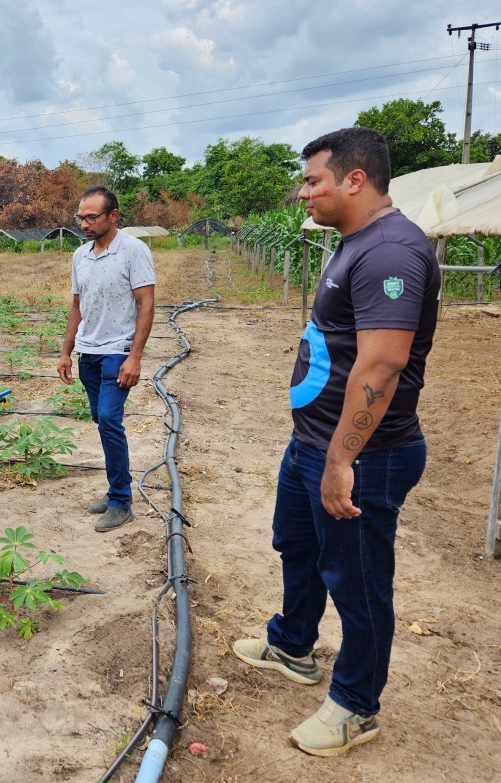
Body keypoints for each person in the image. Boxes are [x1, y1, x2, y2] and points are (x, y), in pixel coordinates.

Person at [232, 127, 441, 756]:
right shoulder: (355, 243)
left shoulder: (390, 253)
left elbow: (380, 366)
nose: (303, 193)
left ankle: (356, 706)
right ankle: (293, 642)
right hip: (315, 444)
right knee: (297, 544)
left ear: (355, 179)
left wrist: (341, 459)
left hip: (362, 458)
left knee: (359, 582)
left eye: (312, 180)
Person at [58, 185, 155, 532]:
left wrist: (136, 357)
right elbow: (76, 306)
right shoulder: (80, 256)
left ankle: (120, 501)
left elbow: (146, 304)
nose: (84, 224)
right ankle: (116, 488)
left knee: (110, 420)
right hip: (90, 353)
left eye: (91, 217)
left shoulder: (133, 251)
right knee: (103, 421)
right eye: (80, 218)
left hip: (118, 351)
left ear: (113, 216)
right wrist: (66, 351)